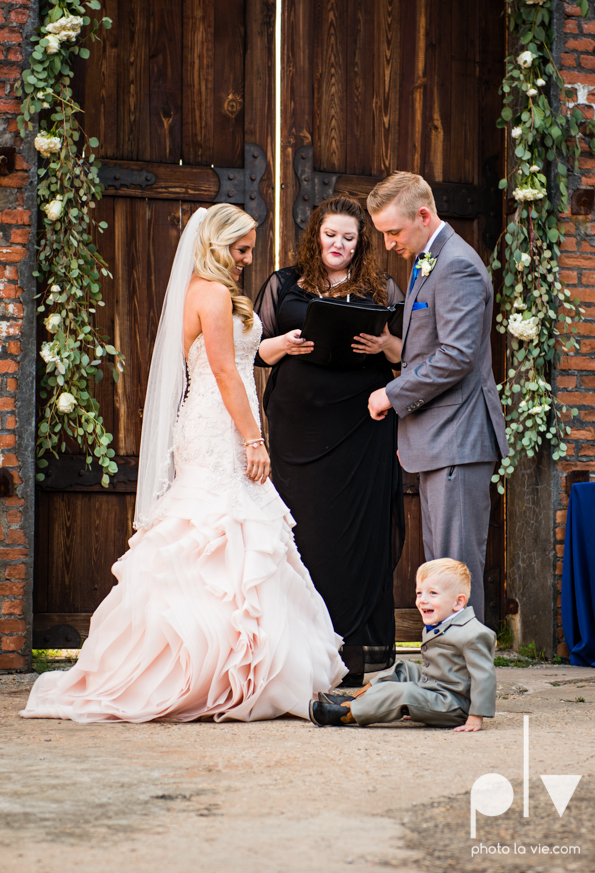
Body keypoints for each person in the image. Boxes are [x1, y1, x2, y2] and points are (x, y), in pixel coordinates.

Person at [21, 204, 346, 724]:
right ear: (215, 245)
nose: (246, 259)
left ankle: (228, 666)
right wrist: (253, 440)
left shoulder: (200, 291)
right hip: (219, 426)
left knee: (232, 536)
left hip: (213, 421)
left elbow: (235, 356)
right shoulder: (213, 294)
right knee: (218, 534)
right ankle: (212, 670)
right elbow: (222, 371)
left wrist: (273, 346)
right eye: (239, 250)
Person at [254, 195, 405, 686]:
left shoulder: (381, 287)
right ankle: (301, 659)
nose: (338, 244)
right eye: (330, 234)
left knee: (355, 537)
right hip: (300, 429)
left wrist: (385, 345)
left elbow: (412, 353)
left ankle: (356, 656)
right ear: (315, 233)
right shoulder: (283, 283)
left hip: (363, 426)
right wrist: (283, 344)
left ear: (361, 243)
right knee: (307, 535)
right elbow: (256, 352)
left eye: (348, 237)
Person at [365, 173, 509, 623]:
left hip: (458, 439)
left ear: (424, 216)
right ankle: (448, 677)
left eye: (394, 232)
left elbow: (457, 355)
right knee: (443, 571)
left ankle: (464, 684)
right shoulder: (430, 258)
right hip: (438, 439)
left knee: (454, 571)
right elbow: (430, 347)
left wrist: (392, 393)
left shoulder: (458, 264)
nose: (388, 244)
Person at [310, 558, 496, 730]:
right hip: (434, 688)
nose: (423, 599)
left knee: (404, 692)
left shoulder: (474, 634)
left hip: (452, 705)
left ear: (458, 602)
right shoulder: (440, 622)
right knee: (403, 669)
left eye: (433, 593)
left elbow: (484, 677)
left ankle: (346, 714)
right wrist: (420, 705)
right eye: (419, 593)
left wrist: (475, 716)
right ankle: (353, 700)